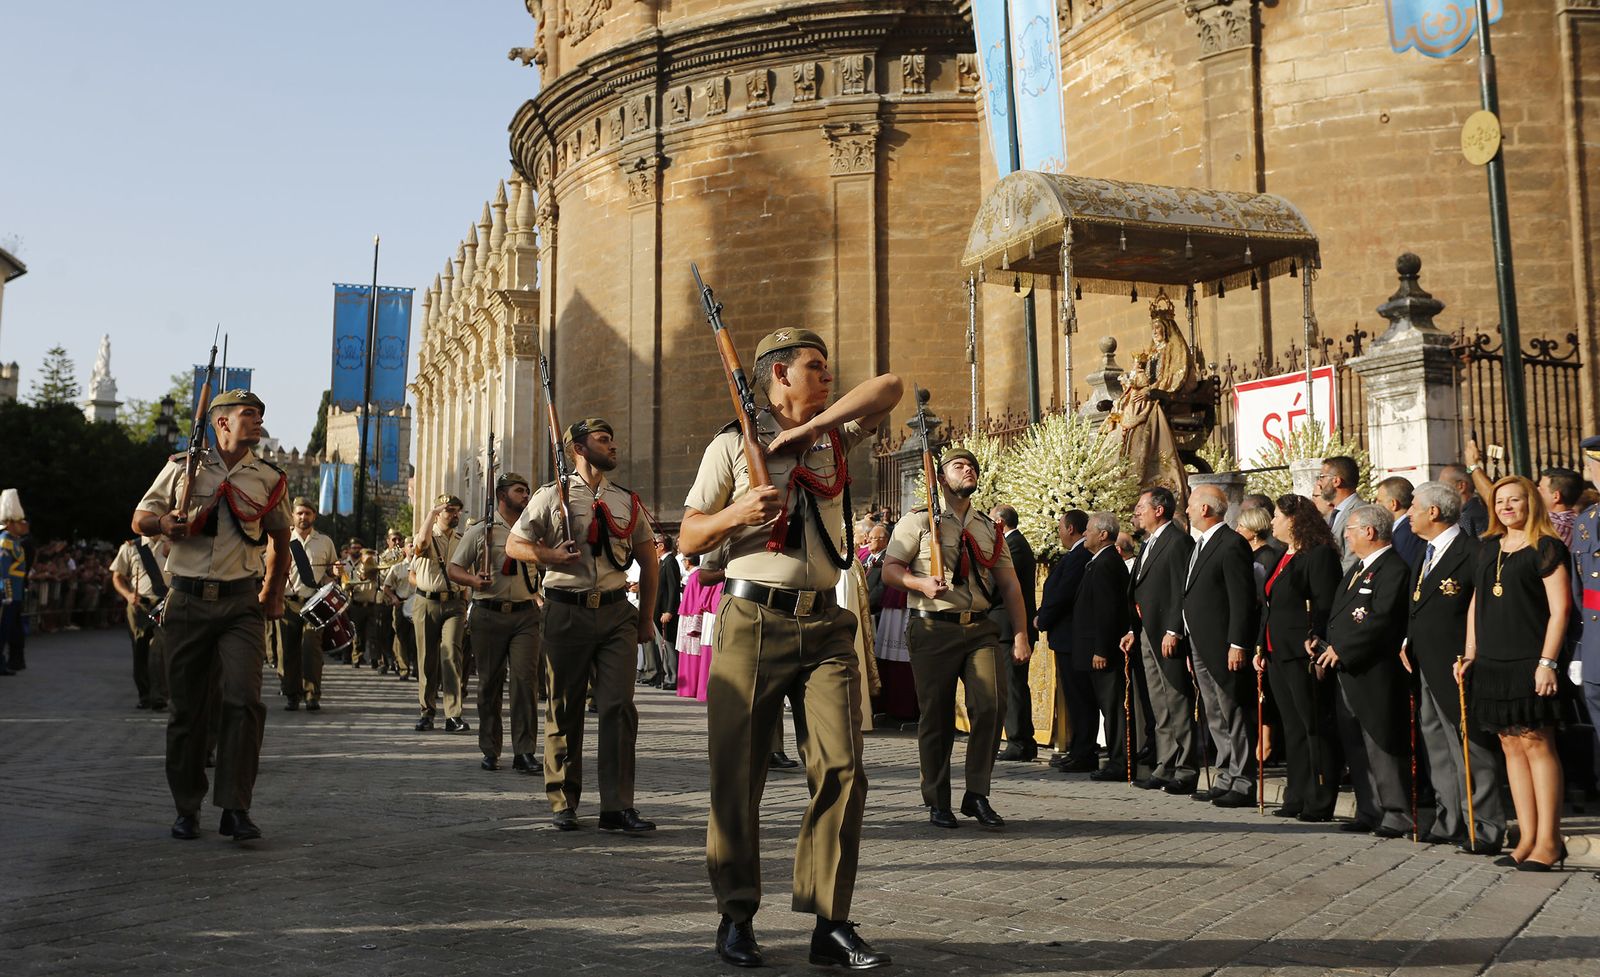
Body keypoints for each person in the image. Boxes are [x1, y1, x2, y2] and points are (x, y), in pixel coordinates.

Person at [679, 328, 900, 970]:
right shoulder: (728, 446)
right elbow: (692, 536)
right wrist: (736, 514)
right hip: (753, 619)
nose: (828, 376)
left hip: (827, 623)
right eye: (814, 368)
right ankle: (737, 914)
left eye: (829, 367)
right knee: (737, 775)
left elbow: (890, 388)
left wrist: (811, 430)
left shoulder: (833, 437)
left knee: (842, 769)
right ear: (778, 376)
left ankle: (829, 922)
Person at [132, 388, 291, 842]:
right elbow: (140, 517)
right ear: (221, 422)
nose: (258, 421)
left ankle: (236, 807)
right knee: (187, 711)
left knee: (245, 701)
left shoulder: (266, 477)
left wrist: (273, 593)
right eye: (249, 415)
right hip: (186, 601)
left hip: (241, 603)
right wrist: (164, 524)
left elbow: (280, 541)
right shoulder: (183, 468)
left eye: (261, 414)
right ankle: (187, 807)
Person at [508, 417, 658, 833]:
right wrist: (551, 556)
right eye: (603, 440)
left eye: (612, 439)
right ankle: (563, 798)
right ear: (579, 447)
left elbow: (648, 559)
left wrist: (645, 616)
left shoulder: (626, 500)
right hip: (565, 611)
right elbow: (514, 544)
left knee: (618, 708)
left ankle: (617, 806)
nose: (612, 447)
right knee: (565, 706)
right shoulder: (549, 496)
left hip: (615, 613)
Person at [884, 449, 1031, 830]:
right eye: (958, 466)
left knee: (992, 706)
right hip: (933, 628)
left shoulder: (986, 526)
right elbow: (890, 570)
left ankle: (977, 794)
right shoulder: (918, 521)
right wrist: (919, 583)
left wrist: (1020, 633)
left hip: (979, 627)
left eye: (973, 466)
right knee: (936, 716)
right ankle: (937, 799)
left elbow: (1010, 585)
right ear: (940, 476)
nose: (968, 469)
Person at [1455, 475, 1571, 870]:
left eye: (1515, 500)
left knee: (1538, 744)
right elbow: (1475, 602)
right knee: (1510, 746)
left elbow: (1560, 611)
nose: (1506, 506)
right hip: (1492, 662)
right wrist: (1470, 652)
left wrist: (1547, 662)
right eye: (1500, 500)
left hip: (1530, 661)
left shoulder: (1547, 548)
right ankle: (1526, 837)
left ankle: (1550, 842)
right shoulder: (1488, 548)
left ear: (1530, 504)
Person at [1406, 481, 1503, 854]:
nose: (1410, 513)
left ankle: (1485, 825)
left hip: (1456, 663)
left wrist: (1471, 654)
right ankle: (1450, 819)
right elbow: (1418, 604)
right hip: (1425, 661)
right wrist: (1407, 641)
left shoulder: (1471, 552)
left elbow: (1477, 612)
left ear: (1434, 512)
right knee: (1438, 745)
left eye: (1415, 507)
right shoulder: (1424, 551)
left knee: (1470, 746)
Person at [1316, 504, 1413, 838]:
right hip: (1346, 670)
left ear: (1369, 531)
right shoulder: (1358, 568)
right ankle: (1369, 808)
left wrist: (1343, 649)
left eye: (1351, 529)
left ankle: (1397, 812)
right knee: (1355, 743)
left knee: (1379, 741)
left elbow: (1382, 620)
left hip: (1374, 671)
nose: (1346, 535)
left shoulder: (1393, 569)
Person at [451, 471, 543, 776]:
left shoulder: (534, 530)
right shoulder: (480, 532)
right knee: (489, 683)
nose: (526, 495)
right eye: (519, 490)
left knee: (525, 683)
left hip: (525, 615)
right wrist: (474, 580)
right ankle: (490, 748)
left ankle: (525, 751)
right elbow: (454, 568)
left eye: (528, 490)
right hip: (488, 613)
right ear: (502, 495)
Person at [1181, 485, 1259, 806]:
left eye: (1190, 505)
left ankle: (1243, 779)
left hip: (1223, 644)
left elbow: (1242, 599)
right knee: (1213, 711)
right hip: (1199, 643)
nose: (1186, 510)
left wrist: (1238, 643)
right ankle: (1225, 773)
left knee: (1232, 708)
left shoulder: (1232, 544)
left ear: (1205, 509)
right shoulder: (1200, 545)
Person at [1120, 486, 1196, 790]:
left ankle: (1186, 767)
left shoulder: (1177, 542)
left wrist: (1174, 629)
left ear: (1159, 509)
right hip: (1146, 631)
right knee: (1159, 701)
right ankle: (1165, 764)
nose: (1137, 513)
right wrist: (1131, 629)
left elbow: (1181, 590)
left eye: (1142, 507)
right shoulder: (1150, 542)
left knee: (1176, 698)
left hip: (1166, 633)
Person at [1105, 292, 1195, 499]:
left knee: (1139, 412)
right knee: (1123, 406)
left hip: (1162, 398)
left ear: (1166, 328)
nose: (1155, 332)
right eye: (1153, 329)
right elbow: (1144, 376)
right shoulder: (1152, 352)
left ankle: (1139, 469)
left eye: (1158, 328)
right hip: (1148, 395)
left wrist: (1150, 391)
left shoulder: (1176, 349)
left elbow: (1176, 375)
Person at [1072, 512, 1133, 780]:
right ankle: (1115, 759)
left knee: (1112, 707)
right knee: (1106, 706)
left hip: (1103, 651)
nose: (1085, 534)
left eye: (1089, 530)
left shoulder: (1108, 562)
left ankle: (1120, 762)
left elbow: (1107, 611)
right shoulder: (1098, 561)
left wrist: (1101, 649)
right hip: (1094, 647)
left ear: (1103, 535)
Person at [1035, 510, 1095, 773]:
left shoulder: (1080, 556)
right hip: (1067, 638)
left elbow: (1062, 594)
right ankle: (1077, 748)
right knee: (1073, 697)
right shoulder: (1075, 555)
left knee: (1081, 697)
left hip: (1073, 638)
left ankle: (1084, 752)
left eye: (1060, 527)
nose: (1058, 533)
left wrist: (1042, 619)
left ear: (1070, 529)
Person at [412, 495, 468, 733]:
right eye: (450, 511)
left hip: (454, 605)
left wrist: (466, 602)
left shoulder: (461, 539)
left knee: (451, 658)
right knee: (427, 659)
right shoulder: (427, 534)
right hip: (427, 602)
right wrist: (430, 514)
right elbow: (420, 544)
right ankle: (427, 712)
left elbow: (467, 572)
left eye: (457, 511)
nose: (454, 515)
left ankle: (453, 715)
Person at [990, 503, 1039, 762]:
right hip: (1005, 628)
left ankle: (1019, 741)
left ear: (1000, 522)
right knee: (1012, 685)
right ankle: (1022, 740)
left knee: (1013, 686)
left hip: (1010, 629)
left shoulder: (1015, 546)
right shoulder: (1012, 544)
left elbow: (1002, 585)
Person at [280, 498, 338, 711]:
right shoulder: (283, 539)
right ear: (292, 516)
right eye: (300, 513)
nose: (303, 517)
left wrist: (336, 574)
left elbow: (332, 572)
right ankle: (292, 695)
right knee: (289, 649)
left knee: (311, 649)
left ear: (314, 516)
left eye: (308, 513)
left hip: (315, 603)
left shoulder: (325, 542)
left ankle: (312, 694)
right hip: (288, 602)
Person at [110, 535, 172, 709]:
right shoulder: (130, 547)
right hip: (139, 605)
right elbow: (117, 577)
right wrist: (128, 595)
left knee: (160, 649)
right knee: (140, 649)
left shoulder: (172, 543)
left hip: (164, 603)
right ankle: (145, 695)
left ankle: (159, 696)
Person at [0, 490, 29, 675]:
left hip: (16, 594)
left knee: (9, 630)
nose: (23, 525)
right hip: (7, 595)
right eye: (19, 522)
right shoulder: (4, 543)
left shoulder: (15, 542)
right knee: (2, 630)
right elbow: (2, 572)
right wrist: (6, 593)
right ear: (9, 523)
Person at [380, 538, 417, 681]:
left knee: (417, 638)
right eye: (410, 545)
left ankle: (418, 669)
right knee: (401, 637)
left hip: (418, 605)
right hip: (402, 604)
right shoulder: (397, 568)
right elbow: (386, 587)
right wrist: (393, 598)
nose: (413, 547)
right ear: (405, 549)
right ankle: (403, 669)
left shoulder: (422, 565)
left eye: (415, 544)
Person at [1319, 455, 1364, 571]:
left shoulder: (1360, 512)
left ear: (1336, 481)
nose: (1319, 483)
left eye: (1322, 477)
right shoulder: (1332, 514)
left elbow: (1352, 561)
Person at [654, 533, 682, 692]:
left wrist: (669, 610)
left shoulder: (670, 562)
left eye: (655, 545)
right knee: (663, 647)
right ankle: (666, 675)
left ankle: (672, 677)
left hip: (665, 612)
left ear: (661, 546)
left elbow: (673, 589)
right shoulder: (662, 563)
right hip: (658, 611)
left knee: (668, 646)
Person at [1376, 476, 1421, 566]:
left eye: (1379, 501)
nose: (1376, 505)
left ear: (1394, 504)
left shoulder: (1406, 532)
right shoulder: (1403, 528)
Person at [1441, 464, 1489, 539]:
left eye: (1443, 485)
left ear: (1461, 486)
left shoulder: (1469, 517)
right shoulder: (1468, 512)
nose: (1439, 490)